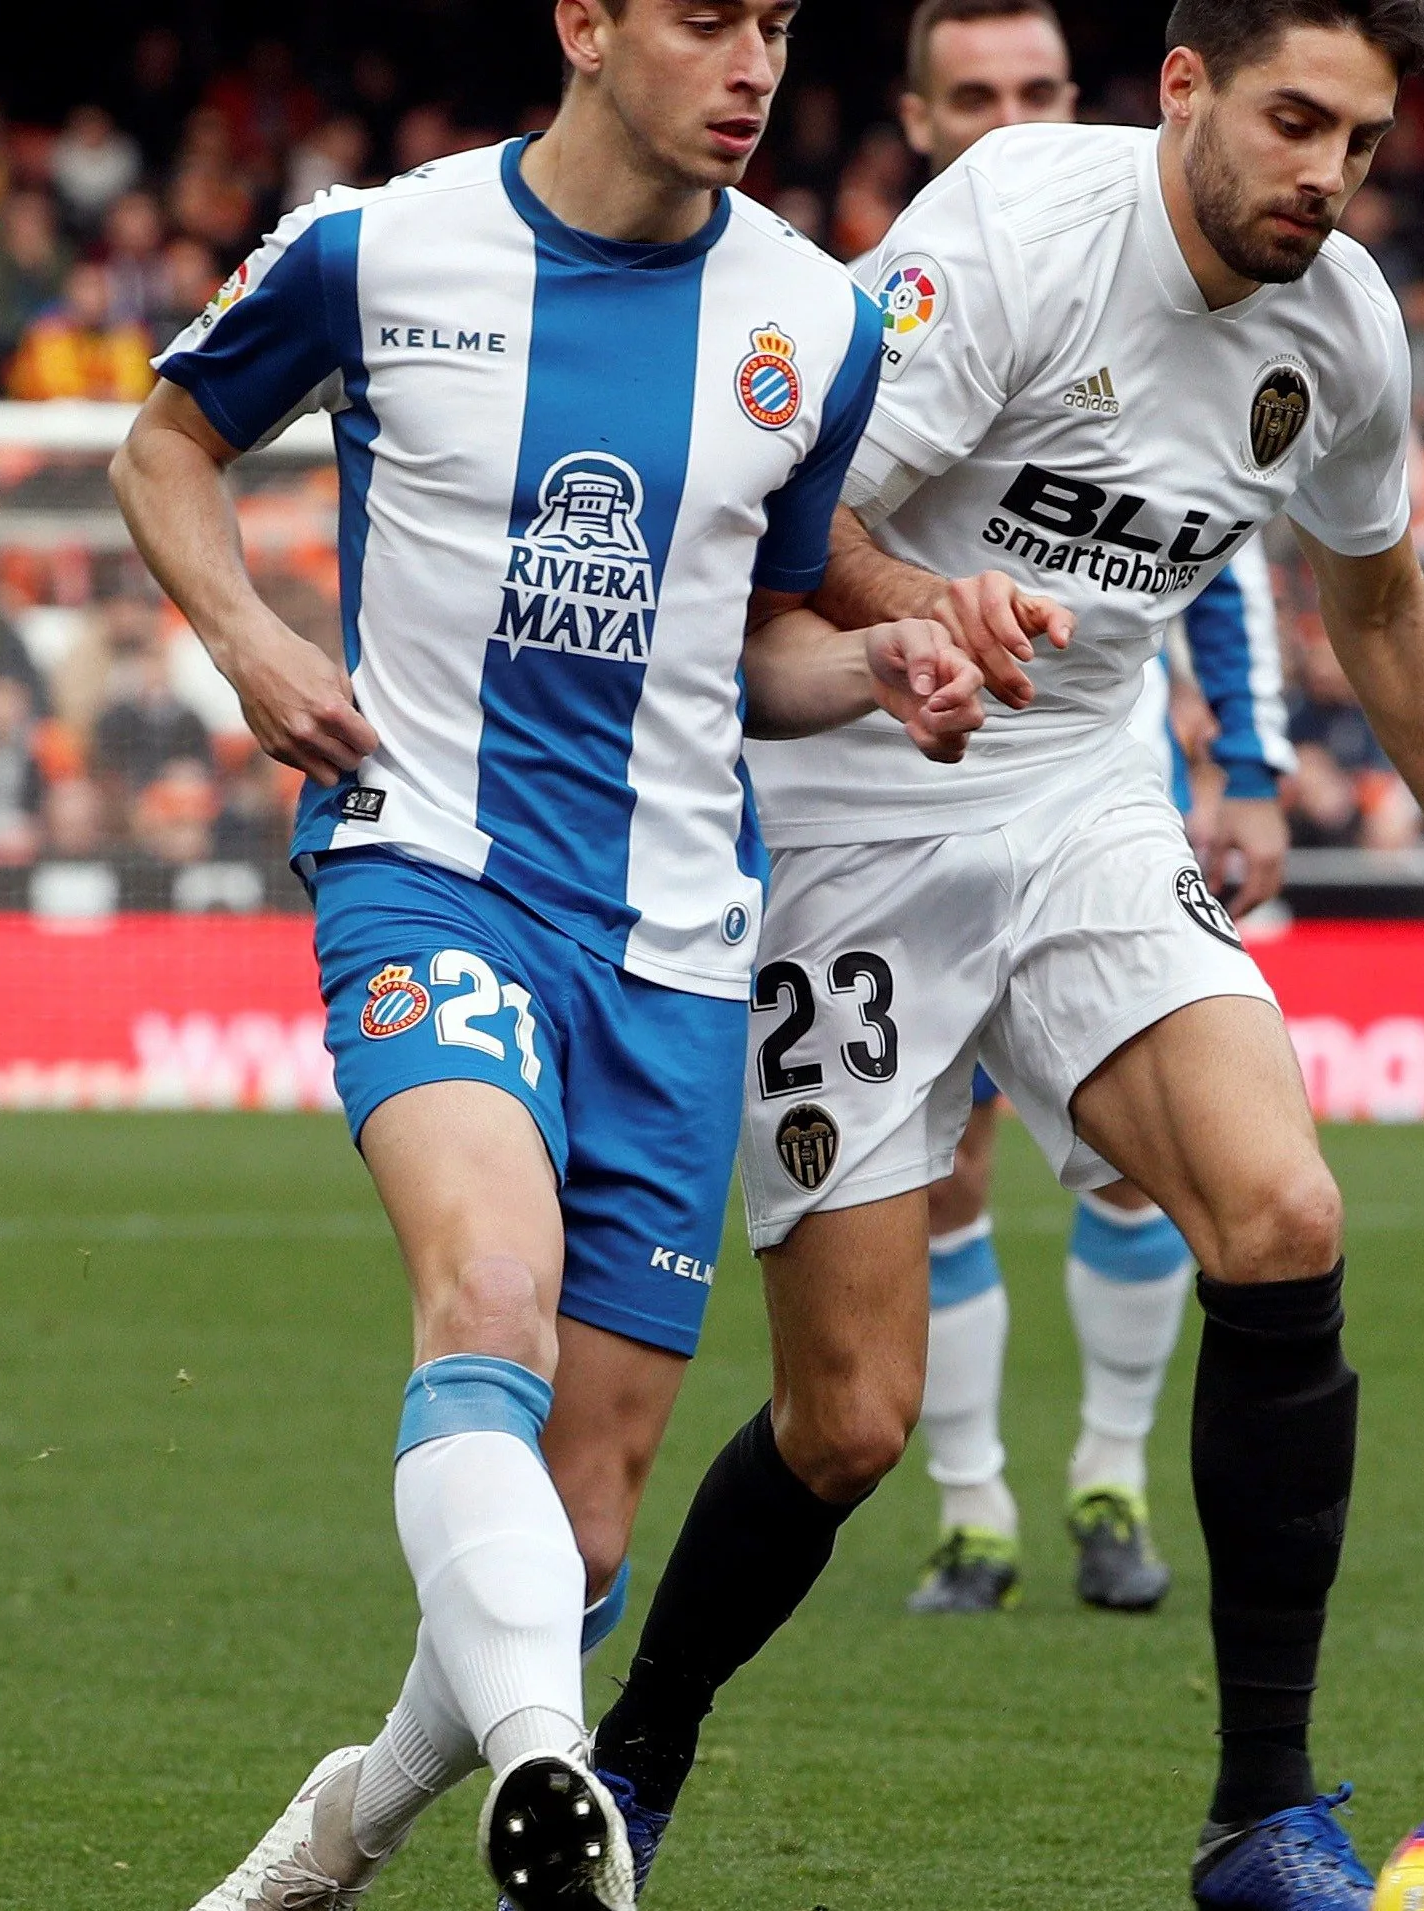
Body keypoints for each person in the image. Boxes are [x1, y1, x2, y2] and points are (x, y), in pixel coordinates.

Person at [577, 3, 1424, 1907]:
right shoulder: (1012, 234)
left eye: (1364, 142)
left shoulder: (1345, 324)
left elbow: (1381, 603)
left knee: (1284, 1212)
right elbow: (772, 526)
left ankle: (1262, 1812)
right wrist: (928, 609)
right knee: (847, 1424)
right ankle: (631, 1757)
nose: (1325, 174)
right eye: (1293, 121)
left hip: (1083, 807)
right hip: (853, 816)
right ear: (1182, 89)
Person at [113, 0, 983, 1904]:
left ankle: (344, 1828)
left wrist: (879, 665)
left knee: (582, 1528)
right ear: (587, 25)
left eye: (775, 23)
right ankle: (549, 1773)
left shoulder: (814, 324)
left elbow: (751, 640)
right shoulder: (374, 248)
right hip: (430, 867)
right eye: (704, 19)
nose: (752, 62)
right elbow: (165, 450)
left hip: (677, 954)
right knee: (487, 1288)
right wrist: (256, 643)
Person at [875, 0, 1299, 1622]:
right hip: (898, 797)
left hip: (1083, 788)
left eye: (1039, 89)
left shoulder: (1172, 291)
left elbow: (1202, 545)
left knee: (1135, 1165)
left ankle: (1109, 1479)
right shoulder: (905, 308)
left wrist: (1246, 767)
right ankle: (971, 1506)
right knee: (942, 1177)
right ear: (916, 122)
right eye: (972, 95)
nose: (1011, 120)